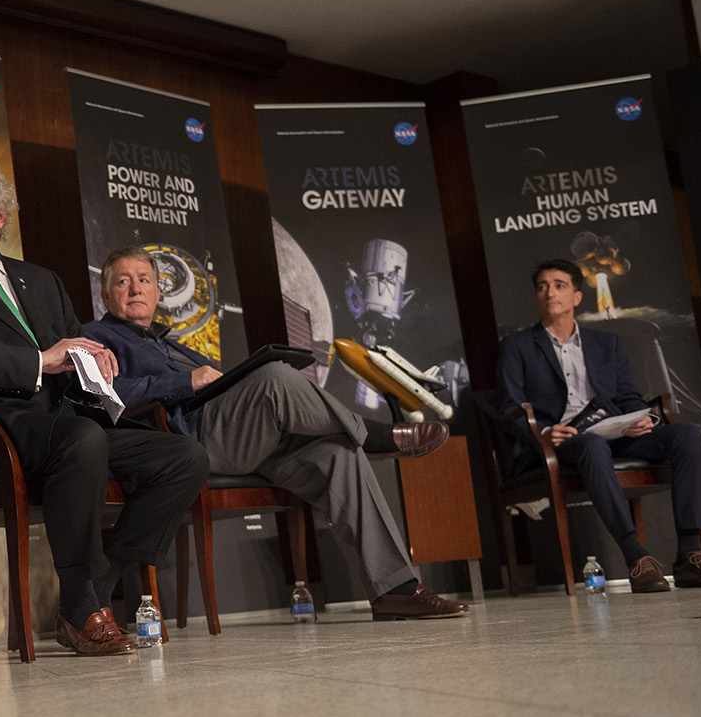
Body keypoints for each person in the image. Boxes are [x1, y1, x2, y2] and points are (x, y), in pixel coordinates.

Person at [0, 156, 209, 655]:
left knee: (183, 458)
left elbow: (70, 352)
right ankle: (83, 608)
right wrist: (41, 360)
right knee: (83, 439)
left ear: (0, 216)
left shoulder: (40, 278)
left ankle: (94, 586)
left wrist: (94, 364)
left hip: (71, 420)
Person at [82, 247, 468, 620]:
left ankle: (396, 590)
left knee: (340, 453)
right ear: (105, 292)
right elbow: (104, 396)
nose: (135, 289)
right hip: (190, 443)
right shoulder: (95, 337)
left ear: (157, 291)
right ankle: (375, 435)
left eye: (144, 280)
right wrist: (186, 381)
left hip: (246, 440)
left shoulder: (172, 344)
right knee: (276, 377)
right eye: (123, 281)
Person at [495, 258, 701, 592]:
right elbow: (509, 407)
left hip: (616, 432)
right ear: (536, 297)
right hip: (564, 440)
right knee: (592, 445)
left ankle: (690, 554)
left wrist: (640, 419)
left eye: (559, 285)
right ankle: (636, 556)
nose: (549, 292)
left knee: (685, 436)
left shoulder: (605, 343)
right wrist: (545, 432)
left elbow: (629, 396)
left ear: (577, 297)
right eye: (542, 287)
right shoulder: (518, 346)